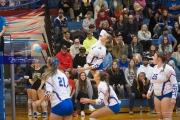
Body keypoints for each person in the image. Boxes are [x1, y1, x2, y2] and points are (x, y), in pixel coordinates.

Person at [147, 51, 179, 120]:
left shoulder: (169, 69)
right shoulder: (155, 68)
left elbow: (175, 84)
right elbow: (152, 82)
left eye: (154, 56)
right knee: (160, 117)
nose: (153, 58)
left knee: (166, 117)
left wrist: (173, 97)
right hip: (156, 95)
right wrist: (149, 91)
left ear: (159, 58)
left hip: (167, 94)